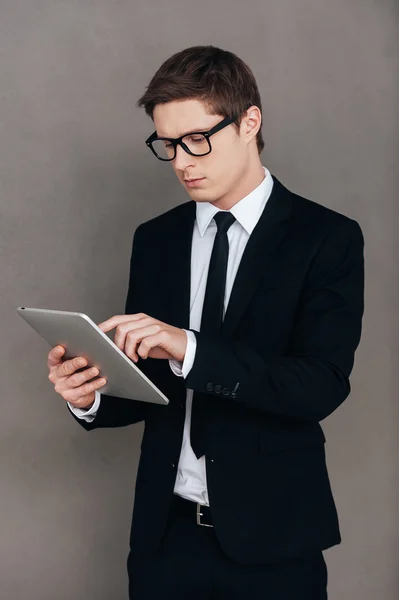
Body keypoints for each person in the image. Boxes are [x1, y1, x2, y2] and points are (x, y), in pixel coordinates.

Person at [47, 45, 365, 599]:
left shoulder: (326, 238)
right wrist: (90, 393)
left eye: (196, 139)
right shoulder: (157, 239)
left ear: (250, 122)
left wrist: (189, 348)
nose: (181, 162)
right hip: (163, 540)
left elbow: (319, 386)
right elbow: (151, 388)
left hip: (273, 545)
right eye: (166, 145)